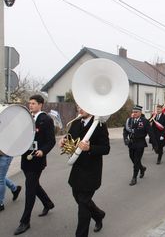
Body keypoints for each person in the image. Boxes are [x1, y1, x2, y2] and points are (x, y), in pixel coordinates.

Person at [60, 105, 109, 237]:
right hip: (77, 169)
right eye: (78, 107)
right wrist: (64, 142)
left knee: (83, 205)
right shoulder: (76, 122)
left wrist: (90, 148)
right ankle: (98, 215)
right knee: (79, 198)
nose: (80, 110)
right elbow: (70, 138)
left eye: (83, 107)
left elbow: (106, 148)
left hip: (91, 171)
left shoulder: (99, 125)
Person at [14, 95, 56, 235]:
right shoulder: (28, 118)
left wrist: (42, 151)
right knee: (34, 185)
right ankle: (48, 203)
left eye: (33, 103)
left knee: (30, 189)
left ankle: (25, 221)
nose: (30, 105)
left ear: (40, 105)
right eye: (29, 103)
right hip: (26, 158)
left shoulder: (46, 120)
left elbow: (51, 141)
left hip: (37, 160)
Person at [123, 105, 157, 186]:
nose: (134, 113)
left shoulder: (144, 121)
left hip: (140, 143)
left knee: (137, 160)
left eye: (136, 112)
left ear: (140, 112)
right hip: (131, 143)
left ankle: (134, 177)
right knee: (132, 158)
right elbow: (125, 131)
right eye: (133, 112)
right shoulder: (130, 120)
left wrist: (155, 145)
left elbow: (151, 133)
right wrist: (125, 139)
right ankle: (142, 168)